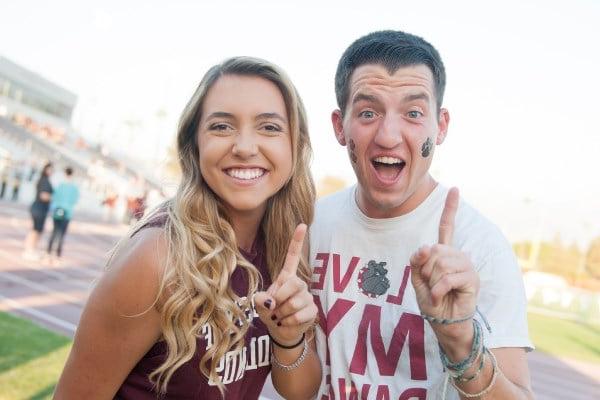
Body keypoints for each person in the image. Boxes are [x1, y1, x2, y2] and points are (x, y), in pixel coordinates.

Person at [54, 56, 321, 399]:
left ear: (294, 147)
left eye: (269, 127)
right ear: (194, 144)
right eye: (222, 126)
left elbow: (301, 390)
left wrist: (289, 336)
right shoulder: (157, 258)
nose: (244, 147)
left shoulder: (284, 248)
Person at [310, 31, 534, 399]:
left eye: (413, 113)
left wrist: (460, 340)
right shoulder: (315, 225)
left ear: (440, 126)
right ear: (339, 126)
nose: (388, 135)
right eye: (368, 112)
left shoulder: (479, 246)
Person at [46, 166, 80, 263]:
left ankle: (48, 253)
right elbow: (75, 200)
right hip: (67, 213)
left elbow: (54, 198)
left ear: (65, 174)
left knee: (54, 232)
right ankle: (57, 255)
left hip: (57, 211)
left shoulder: (60, 186)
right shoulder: (74, 188)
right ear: (72, 174)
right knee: (61, 234)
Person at [23, 162, 53, 259]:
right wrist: (53, 198)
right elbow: (43, 196)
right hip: (39, 208)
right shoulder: (44, 181)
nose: (51, 171)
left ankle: (30, 249)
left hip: (39, 208)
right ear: (45, 169)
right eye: (50, 169)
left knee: (35, 230)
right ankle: (30, 250)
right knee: (36, 230)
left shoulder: (43, 180)